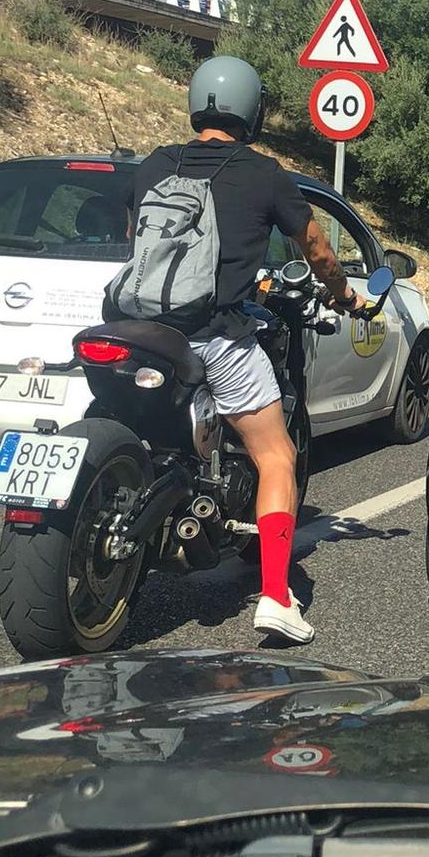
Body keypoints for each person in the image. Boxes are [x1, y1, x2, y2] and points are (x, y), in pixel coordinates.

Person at [126, 55, 365, 644]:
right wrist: (344, 295)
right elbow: (315, 247)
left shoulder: (153, 165)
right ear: (252, 112)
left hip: (136, 331)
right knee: (276, 455)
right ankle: (278, 597)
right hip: (215, 334)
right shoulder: (264, 174)